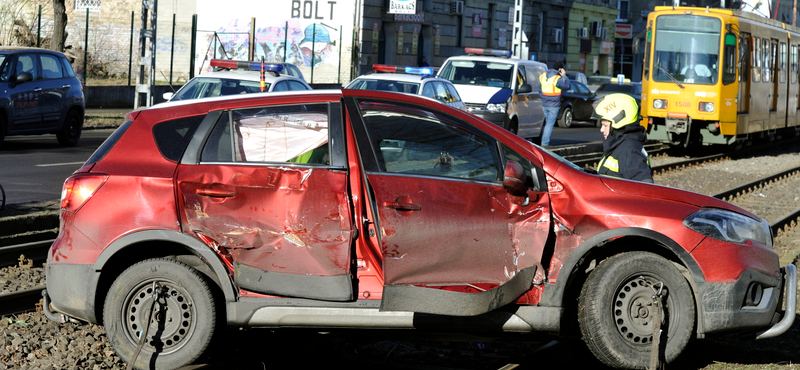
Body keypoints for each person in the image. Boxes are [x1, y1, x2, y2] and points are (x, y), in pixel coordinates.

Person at [593, 93, 653, 183]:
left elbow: (645, 188)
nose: (602, 129)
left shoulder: (629, 151)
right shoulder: (618, 144)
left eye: (605, 125)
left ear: (618, 122)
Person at [539, 61, 570, 147]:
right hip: (554, 105)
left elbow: (540, 90)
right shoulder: (557, 78)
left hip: (544, 104)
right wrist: (564, 76)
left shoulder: (543, 76)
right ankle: (545, 144)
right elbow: (567, 86)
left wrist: (544, 98)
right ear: (560, 69)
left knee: (547, 123)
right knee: (549, 124)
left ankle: (544, 141)